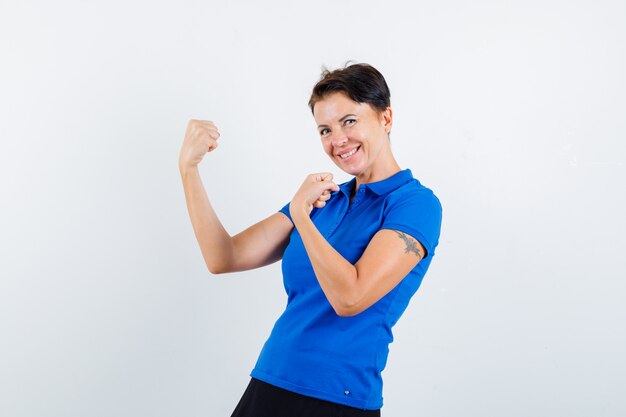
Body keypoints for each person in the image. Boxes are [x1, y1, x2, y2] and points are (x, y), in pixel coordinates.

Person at [178, 63, 442, 416]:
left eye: (349, 121)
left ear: (386, 118)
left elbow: (350, 297)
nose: (337, 141)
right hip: (270, 381)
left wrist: (301, 216)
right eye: (324, 130)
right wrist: (189, 169)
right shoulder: (324, 199)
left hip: (337, 397)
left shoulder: (414, 204)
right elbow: (223, 257)